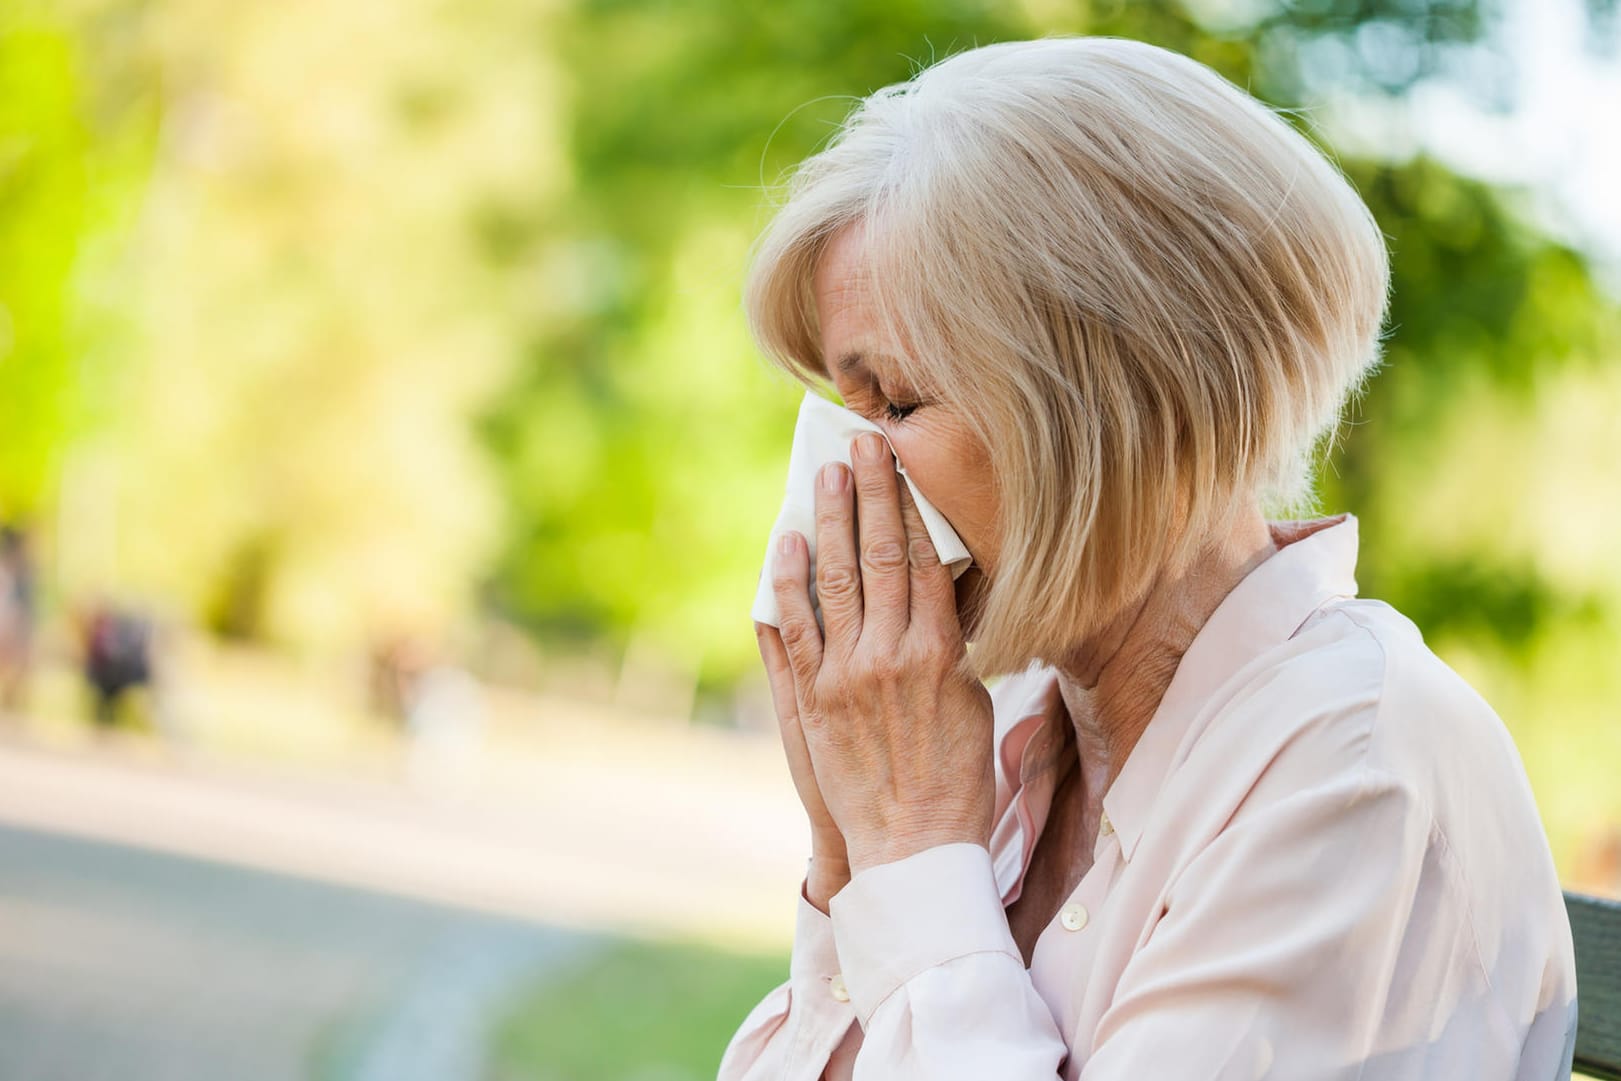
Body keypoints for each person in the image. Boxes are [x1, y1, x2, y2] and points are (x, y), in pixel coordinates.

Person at [722, 37, 1577, 1081]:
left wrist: (907, 851)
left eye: (895, 403)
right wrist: (852, 855)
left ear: (1112, 407)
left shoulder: (1355, 769)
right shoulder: (1017, 747)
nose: (852, 474)